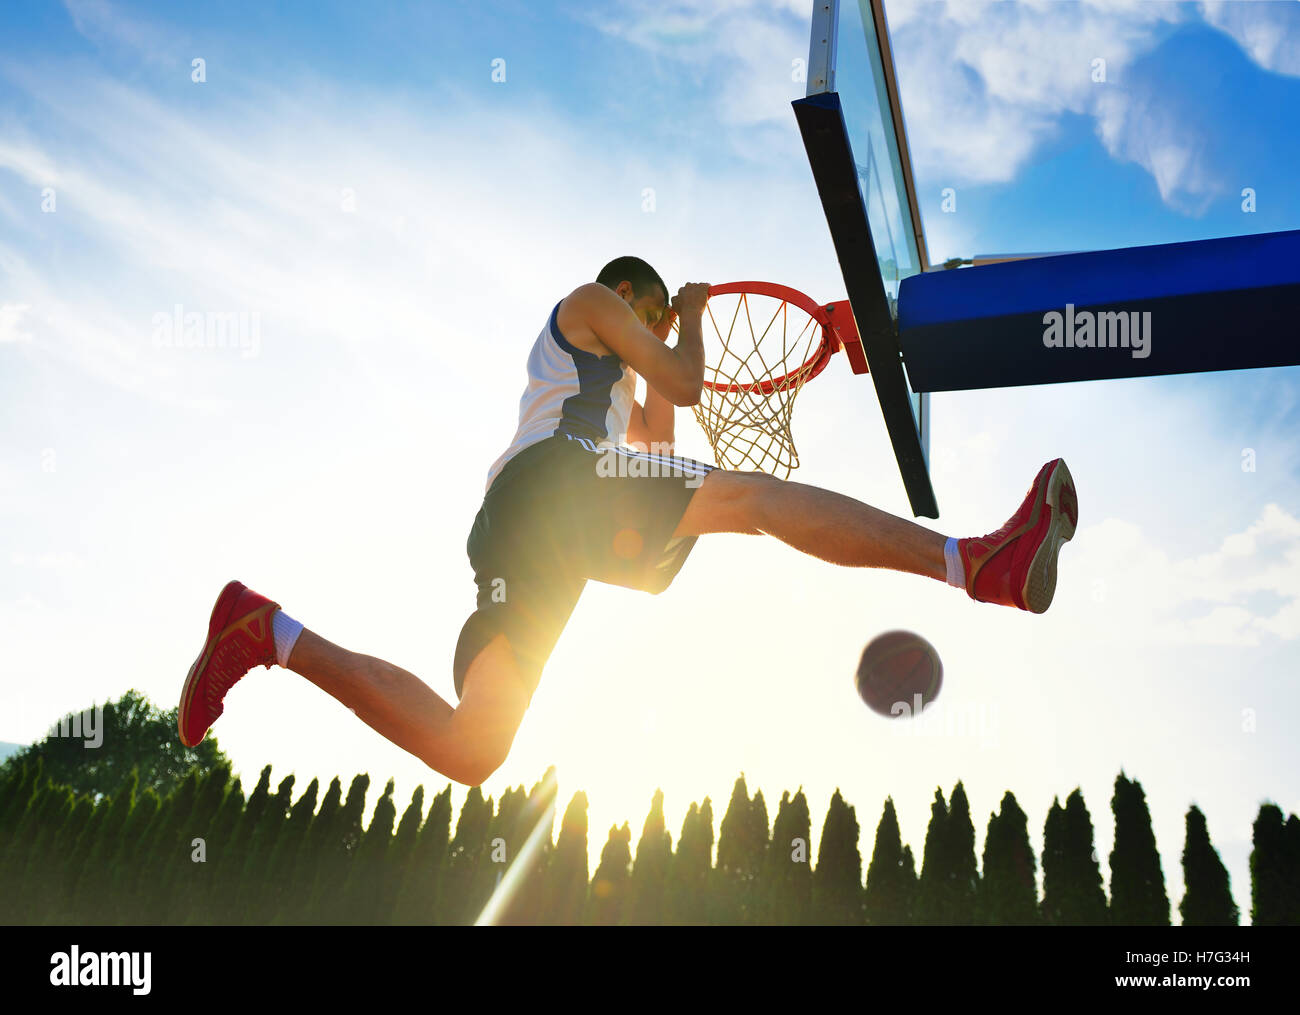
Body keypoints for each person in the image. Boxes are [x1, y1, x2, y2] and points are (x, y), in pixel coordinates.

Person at [178, 256, 1078, 785]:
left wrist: (670, 355)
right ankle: (975, 561)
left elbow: (659, 428)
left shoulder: (603, 389)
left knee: (473, 746)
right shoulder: (589, 302)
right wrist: (686, 323)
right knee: (753, 499)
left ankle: (269, 631)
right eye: (648, 311)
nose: (651, 322)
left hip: (530, 528)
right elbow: (683, 383)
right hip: (559, 485)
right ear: (629, 298)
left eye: (653, 316)